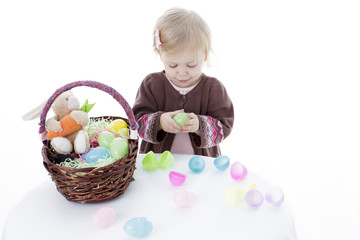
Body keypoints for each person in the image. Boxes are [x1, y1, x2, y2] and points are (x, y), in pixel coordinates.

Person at [132, 7, 234, 157]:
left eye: (191, 65)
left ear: (204, 55)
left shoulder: (213, 88)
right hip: (156, 165)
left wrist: (200, 126)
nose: (182, 72)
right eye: (172, 65)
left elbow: (224, 126)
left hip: (201, 165)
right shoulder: (152, 85)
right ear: (161, 56)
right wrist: (160, 122)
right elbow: (136, 123)